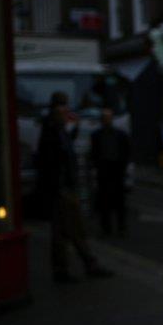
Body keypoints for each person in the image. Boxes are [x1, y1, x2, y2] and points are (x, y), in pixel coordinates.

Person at [36, 98, 112, 282]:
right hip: (61, 188)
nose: (66, 114)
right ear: (56, 111)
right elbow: (52, 161)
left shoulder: (57, 131)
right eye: (63, 111)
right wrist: (60, 186)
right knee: (73, 227)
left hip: (62, 187)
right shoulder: (52, 133)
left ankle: (67, 268)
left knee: (63, 231)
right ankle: (86, 264)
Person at [90, 108, 130, 236]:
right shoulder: (96, 135)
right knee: (104, 201)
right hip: (104, 171)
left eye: (108, 117)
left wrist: (124, 166)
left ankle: (121, 226)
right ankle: (106, 228)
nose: (106, 120)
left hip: (117, 170)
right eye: (104, 118)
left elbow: (126, 151)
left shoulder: (121, 135)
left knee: (119, 201)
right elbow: (94, 153)